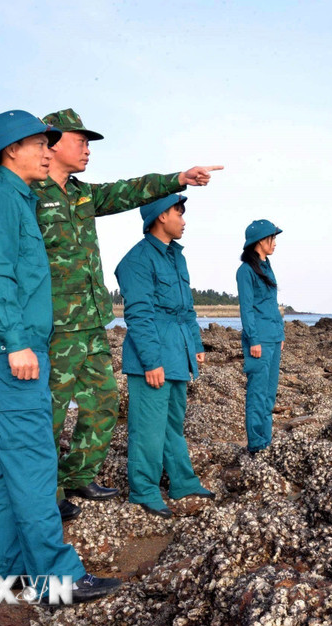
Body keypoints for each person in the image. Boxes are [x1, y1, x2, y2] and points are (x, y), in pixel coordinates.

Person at [0, 110, 120, 603]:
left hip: (11, 347)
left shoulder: (14, 198)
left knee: (2, 466)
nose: (49, 152)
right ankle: (55, 578)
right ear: (11, 150)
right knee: (33, 461)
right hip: (12, 350)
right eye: (39, 144)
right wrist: (16, 341)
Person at [30, 108, 223, 521]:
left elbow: (129, 190)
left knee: (102, 404)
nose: (87, 149)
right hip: (53, 325)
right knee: (48, 412)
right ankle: (48, 492)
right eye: (80, 140)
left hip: (92, 322)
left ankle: (80, 474)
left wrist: (179, 179)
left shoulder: (82, 194)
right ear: (51, 142)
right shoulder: (28, 191)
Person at [115, 194, 216, 518]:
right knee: (148, 428)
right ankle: (143, 491)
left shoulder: (177, 257)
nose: (184, 220)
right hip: (153, 356)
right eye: (178, 213)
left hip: (178, 351)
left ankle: (183, 482)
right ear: (161, 217)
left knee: (173, 423)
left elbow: (186, 308)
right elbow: (139, 314)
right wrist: (151, 361)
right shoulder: (137, 260)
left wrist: (196, 346)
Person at [236, 220, 285, 456]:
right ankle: (256, 445)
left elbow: (271, 305)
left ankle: (266, 441)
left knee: (269, 393)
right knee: (257, 393)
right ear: (259, 241)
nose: (275, 243)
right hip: (259, 341)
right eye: (271, 239)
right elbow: (246, 309)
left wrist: (281, 334)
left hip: (273, 338)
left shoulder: (267, 266)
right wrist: (253, 340)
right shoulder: (245, 271)